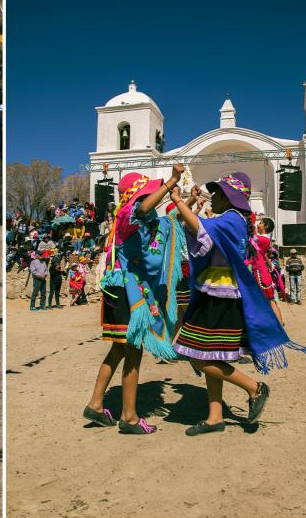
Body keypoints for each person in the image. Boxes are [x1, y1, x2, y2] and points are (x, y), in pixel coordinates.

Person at [170, 172, 306, 436]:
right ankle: (215, 417)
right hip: (214, 291)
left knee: (195, 355)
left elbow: (200, 229)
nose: (213, 198)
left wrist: (179, 202)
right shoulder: (232, 219)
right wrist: (186, 202)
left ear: (229, 197)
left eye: (218, 194)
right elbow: (188, 223)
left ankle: (254, 388)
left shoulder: (233, 219)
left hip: (219, 294)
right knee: (211, 354)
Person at [83, 165, 186, 435]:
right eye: (146, 194)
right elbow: (141, 210)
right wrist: (171, 181)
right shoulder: (128, 216)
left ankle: (95, 404)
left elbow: (170, 220)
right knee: (132, 351)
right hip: (125, 293)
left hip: (124, 292)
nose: (149, 201)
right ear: (135, 197)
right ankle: (128, 417)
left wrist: (185, 199)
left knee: (119, 350)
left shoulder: (144, 223)